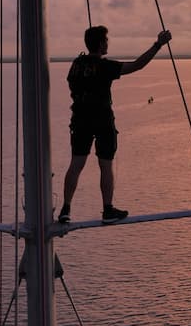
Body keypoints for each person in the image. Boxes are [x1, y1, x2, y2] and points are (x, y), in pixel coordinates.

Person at [57, 25, 172, 225]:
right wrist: (158, 45)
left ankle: (65, 209)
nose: (108, 43)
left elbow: (75, 83)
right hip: (101, 120)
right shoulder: (105, 67)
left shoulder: (76, 65)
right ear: (101, 44)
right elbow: (137, 65)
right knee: (105, 164)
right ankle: (107, 209)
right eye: (106, 40)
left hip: (80, 119)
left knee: (76, 164)